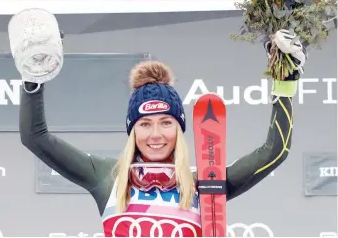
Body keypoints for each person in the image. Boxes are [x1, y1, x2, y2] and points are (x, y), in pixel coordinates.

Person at [19, 29, 307, 237]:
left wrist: (284, 82)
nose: (155, 134)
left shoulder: (204, 184)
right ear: (132, 131)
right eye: (144, 124)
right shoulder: (110, 178)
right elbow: (35, 137)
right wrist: (34, 79)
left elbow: (275, 150)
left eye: (166, 122)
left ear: (179, 129)